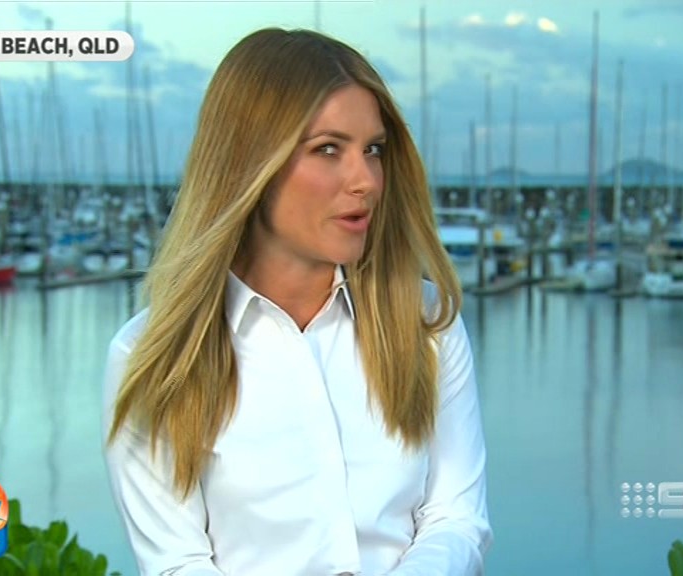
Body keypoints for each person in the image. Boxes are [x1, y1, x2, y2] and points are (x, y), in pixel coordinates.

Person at [102, 27, 492, 576]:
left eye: (373, 150)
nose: (365, 180)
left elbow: (457, 519)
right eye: (328, 149)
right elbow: (177, 564)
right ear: (249, 164)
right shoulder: (151, 357)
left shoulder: (425, 323)